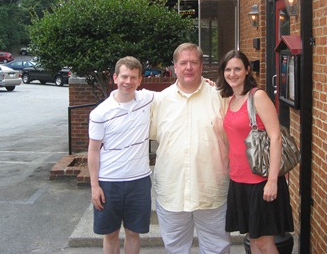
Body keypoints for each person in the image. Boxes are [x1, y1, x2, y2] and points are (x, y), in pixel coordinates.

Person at [150, 43, 231, 254]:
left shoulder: (220, 97)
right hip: (172, 191)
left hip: (211, 191)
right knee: (175, 249)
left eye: (194, 62)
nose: (188, 67)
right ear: (174, 67)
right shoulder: (160, 101)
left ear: (201, 66)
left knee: (217, 248)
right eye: (183, 63)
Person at [216, 50, 294, 253]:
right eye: (228, 69)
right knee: (253, 240)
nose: (232, 74)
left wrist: (273, 181)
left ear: (247, 70)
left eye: (237, 69)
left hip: (261, 181)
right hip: (239, 180)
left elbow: (276, 137)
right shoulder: (232, 99)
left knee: (263, 242)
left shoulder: (257, 96)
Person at [88, 56, 155, 254]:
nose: (128, 82)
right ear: (115, 78)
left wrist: (207, 83)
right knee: (110, 234)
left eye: (133, 77)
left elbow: (176, 92)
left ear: (140, 80)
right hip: (109, 182)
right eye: (124, 76)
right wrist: (94, 186)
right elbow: (93, 150)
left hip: (139, 181)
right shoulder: (100, 113)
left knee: (134, 233)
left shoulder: (147, 99)